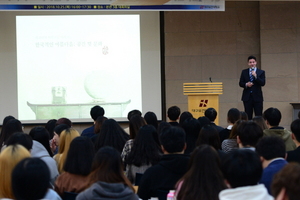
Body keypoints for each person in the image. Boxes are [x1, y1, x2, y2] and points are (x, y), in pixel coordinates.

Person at [137, 126, 189, 200]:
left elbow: (141, 197)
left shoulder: (151, 174)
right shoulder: (196, 171)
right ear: (185, 146)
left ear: (162, 148)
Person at [239, 55, 266, 120]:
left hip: (257, 97)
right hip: (247, 97)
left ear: (256, 62)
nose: (252, 64)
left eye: (253, 62)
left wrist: (256, 76)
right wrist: (246, 84)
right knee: (248, 115)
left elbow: (263, 83)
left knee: (258, 115)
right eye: (250, 62)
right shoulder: (244, 72)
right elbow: (240, 83)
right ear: (248, 63)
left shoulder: (261, 72)